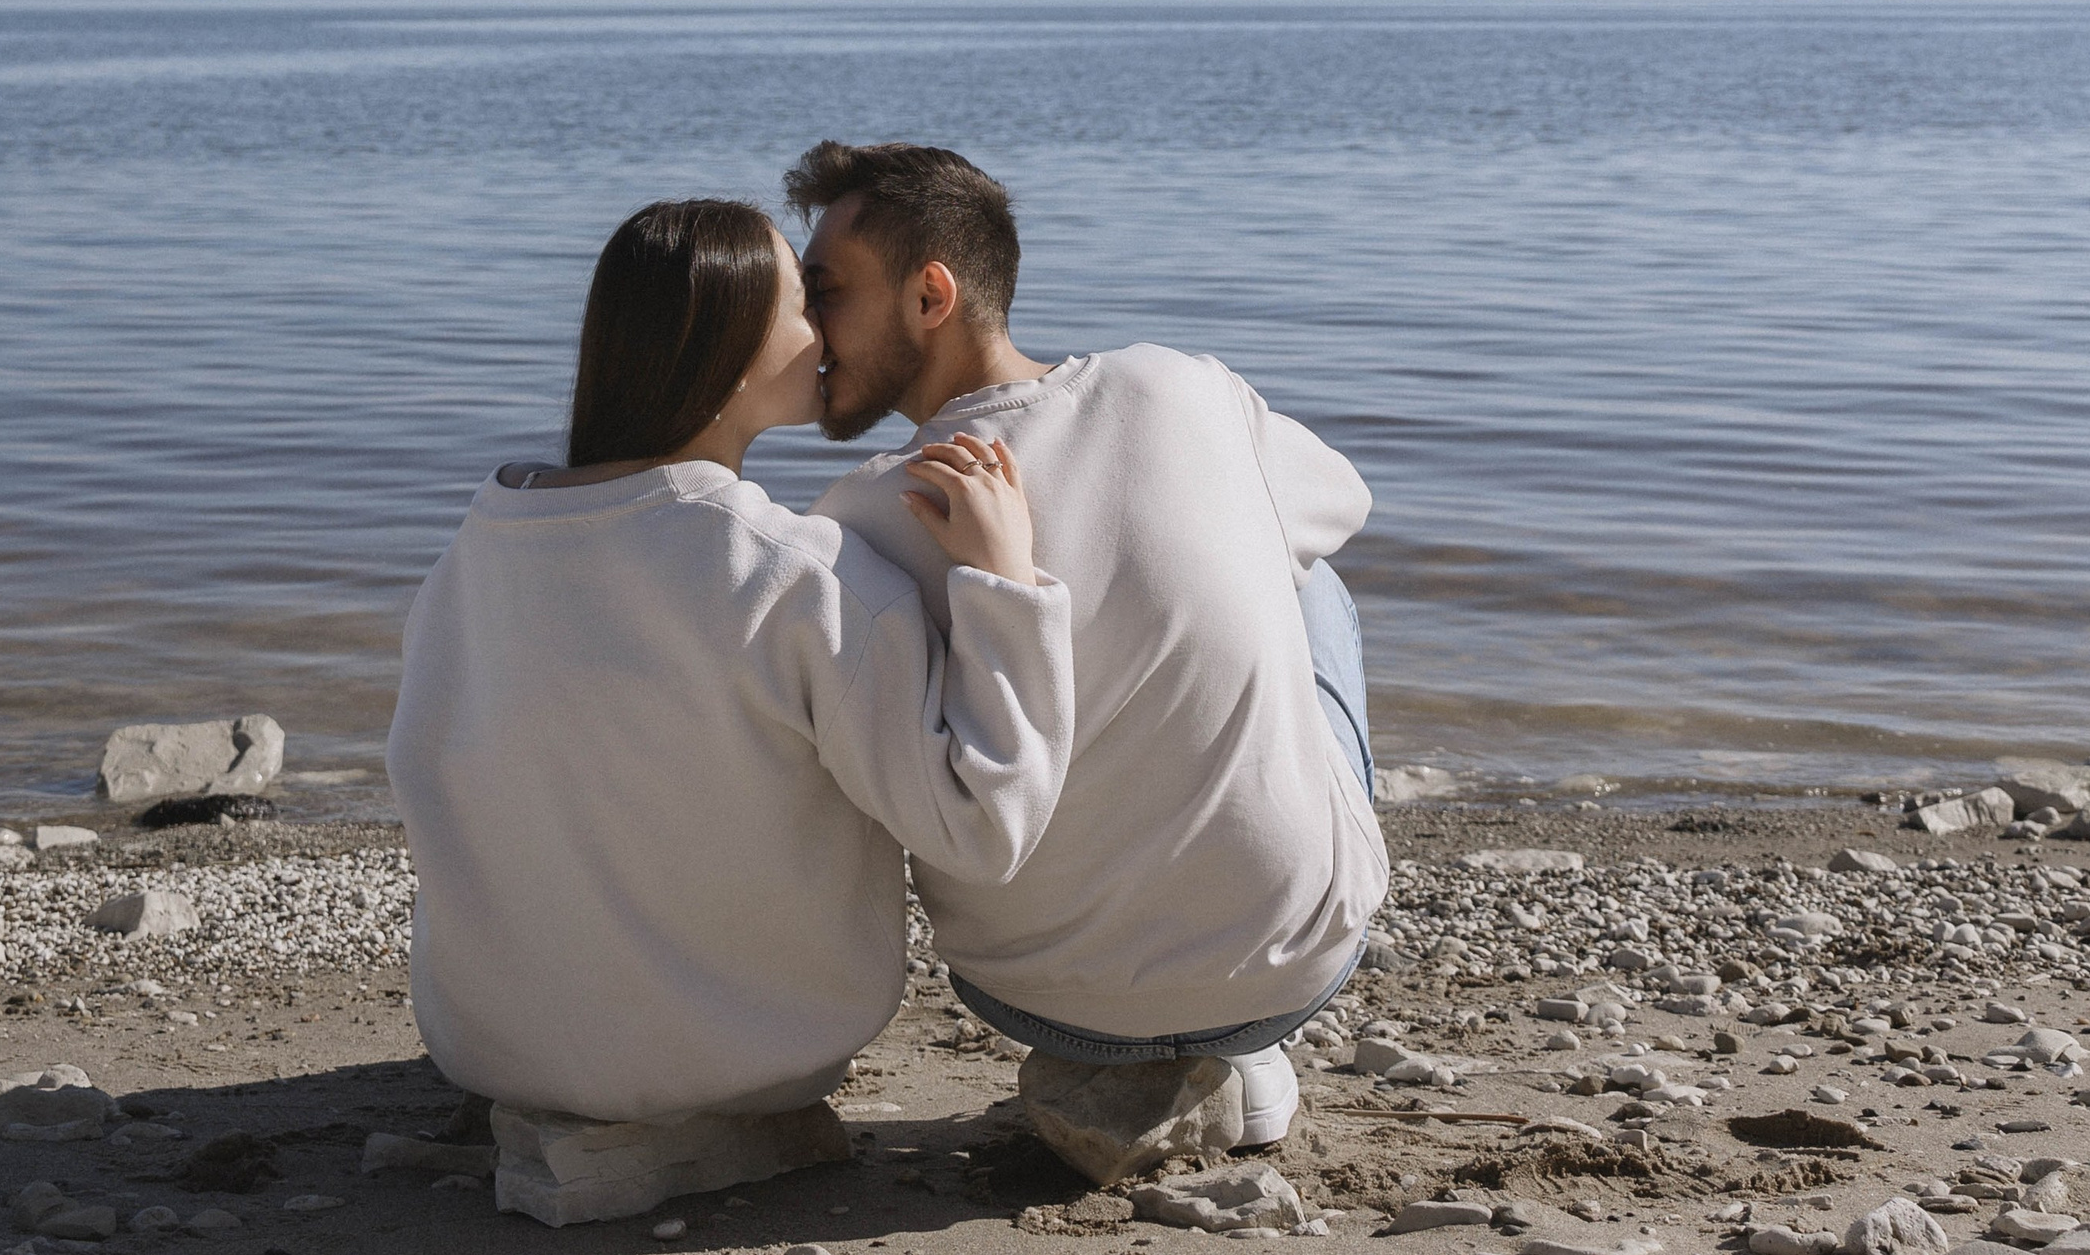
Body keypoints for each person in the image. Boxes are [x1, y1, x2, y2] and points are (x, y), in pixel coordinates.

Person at [386, 197, 1073, 1127]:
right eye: (803, 304)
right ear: (732, 343)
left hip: (489, 1044)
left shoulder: (481, 547)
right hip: (747, 1049)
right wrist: (1007, 588)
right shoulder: (795, 573)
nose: (825, 333)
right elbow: (983, 829)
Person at [790, 140, 1384, 1150]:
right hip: (1288, 961)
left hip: (1028, 989)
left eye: (825, 290)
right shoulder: (1176, 386)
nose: (804, 328)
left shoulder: (855, 518)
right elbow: (1346, 499)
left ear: (930, 294)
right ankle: (1231, 1035)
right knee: (1309, 579)